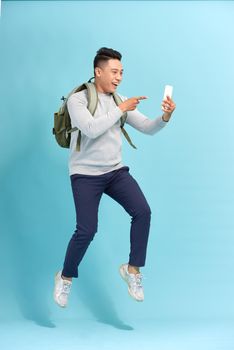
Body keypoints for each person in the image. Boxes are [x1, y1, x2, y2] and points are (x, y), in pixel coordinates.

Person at [53, 47, 176, 307]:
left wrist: (165, 116)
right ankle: (65, 277)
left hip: (114, 171)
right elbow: (90, 129)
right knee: (86, 231)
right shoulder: (78, 99)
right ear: (98, 72)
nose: (119, 77)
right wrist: (121, 109)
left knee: (143, 211)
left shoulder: (120, 99)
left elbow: (147, 127)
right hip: (85, 174)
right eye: (114, 72)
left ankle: (132, 270)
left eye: (121, 72)